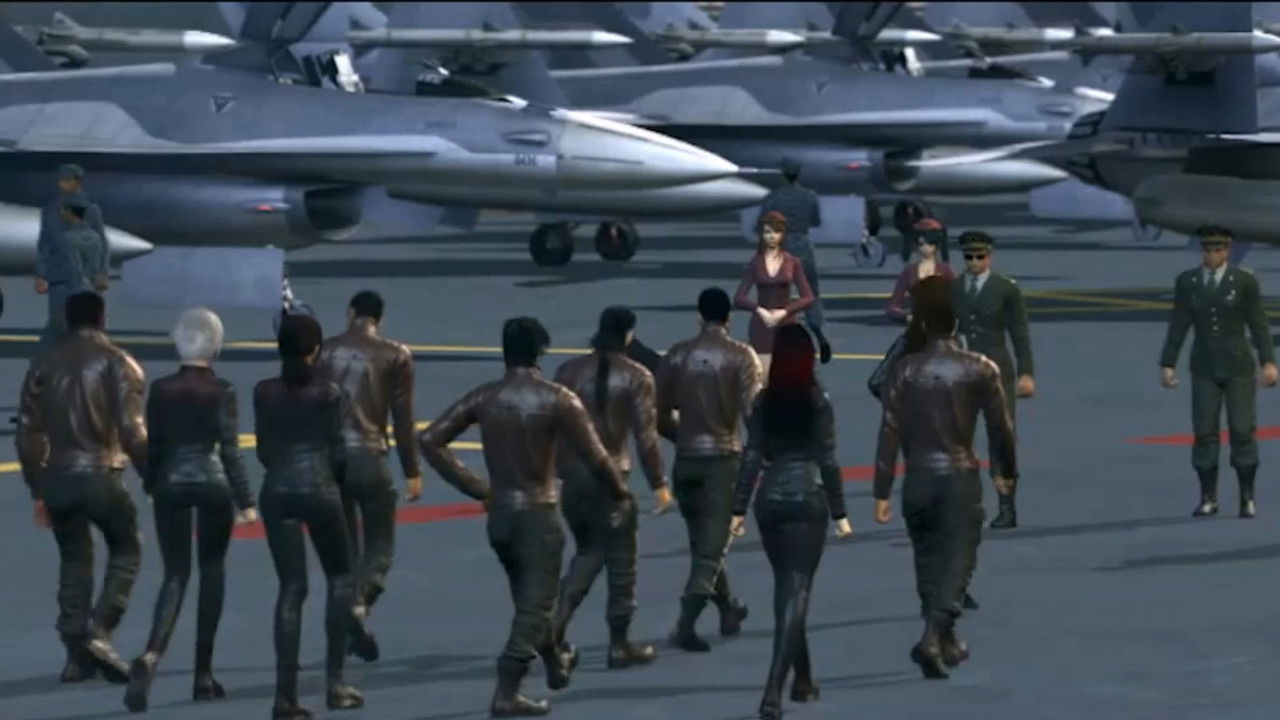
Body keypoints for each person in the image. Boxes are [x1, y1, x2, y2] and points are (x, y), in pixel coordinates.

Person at [419, 317, 631, 717]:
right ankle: (508, 688)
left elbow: (431, 439)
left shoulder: (486, 396)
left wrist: (478, 488)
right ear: (540, 352)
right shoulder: (558, 399)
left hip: (500, 515)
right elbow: (598, 458)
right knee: (536, 604)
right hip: (539, 513)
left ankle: (555, 661)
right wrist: (620, 494)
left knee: (529, 596)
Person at [872, 288, 1016, 680]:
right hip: (958, 475)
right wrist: (1005, 471)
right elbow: (1001, 428)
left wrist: (882, 490)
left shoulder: (904, 369)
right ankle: (931, 636)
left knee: (927, 559)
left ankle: (944, 643)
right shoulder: (980, 367)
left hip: (917, 476)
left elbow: (888, 431)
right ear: (956, 324)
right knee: (960, 557)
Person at [123, 308, 258, 712]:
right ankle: (203, 674)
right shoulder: (224, 390)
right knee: (212, 570)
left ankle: (152, 653)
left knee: (175, 574)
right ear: (216, 346)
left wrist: (151, 484)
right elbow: (230, 450)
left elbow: (155, 446)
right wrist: (245, 500)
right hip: (212, 482)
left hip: (171, 482)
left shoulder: (161, 390)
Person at [15, 291, 146, 684]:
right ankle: (100, 631)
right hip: (102, 474)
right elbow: (132, 431)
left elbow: (27, 434)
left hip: (58, 476)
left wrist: (38, 486)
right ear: (102, 319)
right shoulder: (119, 362)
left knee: (74, 560)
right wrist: (151, 473)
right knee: (126, 548)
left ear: (67, 321)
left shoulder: (43, 364)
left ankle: (75, 654)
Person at [729, 324, 853, 720]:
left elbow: (752, 456)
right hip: (808, 497)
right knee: (797, 590)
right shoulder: (819, 400)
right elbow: (828, 459)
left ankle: (803, 678)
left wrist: (737, 508)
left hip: (769, 499)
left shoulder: (763, 402)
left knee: (786, 587)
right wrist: (840, 512)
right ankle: (773, 689)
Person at [254, 314, 373, 717]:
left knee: (291, 588)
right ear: (316, 350)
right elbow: (337, 452)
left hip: (277, 489)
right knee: (340, 579)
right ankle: (335, 683)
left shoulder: (263, 392)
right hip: (319, 486)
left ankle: (284, 696)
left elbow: (264, 451)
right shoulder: (329, 393)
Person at [550, 307, 673, 670]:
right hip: (611, 481)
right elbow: (646, 438)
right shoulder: (637, 376)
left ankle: (554, 629)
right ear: (628, 335)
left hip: (573, 481)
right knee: (620, 563)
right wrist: (659, 484)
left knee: (588, 552)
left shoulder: (567, 372)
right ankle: (616, 643)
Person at [657, 288, 762, 653]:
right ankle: (685, 625)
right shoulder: (742, 356)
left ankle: (729, 607)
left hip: (686, 460)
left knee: (704, 543)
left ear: (699, 317)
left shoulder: (676, 355)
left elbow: (659, 414)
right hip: (724, 459)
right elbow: (752, 413)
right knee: (711, 552)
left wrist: (683, 436)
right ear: (729, 318)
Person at [316, 290, 420, 651]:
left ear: (350, 313)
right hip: (372, 457)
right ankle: (360, 603)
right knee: (380, 544)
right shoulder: (396, 355)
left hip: (331, 460)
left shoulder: (324, 351)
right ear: (380, 319)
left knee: (343, 551)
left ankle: (340, 630)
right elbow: (403, 420)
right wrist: (412, 470)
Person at [1159, 225, 1277, 518]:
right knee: (1204, 431)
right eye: (1208, 250)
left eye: (1218, 250)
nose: (1212, 255)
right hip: (1204, 367)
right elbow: (1179, 324)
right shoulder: (1188, 282)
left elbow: (1258, 323)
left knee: (1242, 430)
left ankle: (1247, 496)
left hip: (1238, 367)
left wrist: (1268, 361)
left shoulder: (1244, 281)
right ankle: (1208, 496)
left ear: (1227, 251)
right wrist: (1168, 363)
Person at [951, 231, 1033, 529]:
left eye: (980, 256)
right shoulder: (954, 288)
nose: (974, 262)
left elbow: (1020, 333)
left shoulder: (1005, 289)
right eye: (969, 257)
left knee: (1002, 437)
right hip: (962, 372)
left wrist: (1026, 372)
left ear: (989, 256)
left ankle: (1007, 505)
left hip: (998, 371)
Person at [755, 159, 832, 363]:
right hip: (804, 245)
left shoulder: (773, 198)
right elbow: (816, 221)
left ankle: (776, 340)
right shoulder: (809, 196)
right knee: (811, 293)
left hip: (781, 248)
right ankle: (819, 333)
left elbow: (762, 226)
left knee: (776, 296)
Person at [733, 211, 815, 382]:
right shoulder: (756, 262)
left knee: (788, 375)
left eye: (776, 232)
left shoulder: (792, 262)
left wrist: (785, 311)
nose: (772, 236)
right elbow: (739, 297)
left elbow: (808, 297)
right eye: (767, 232)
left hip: (787, 325)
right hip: (762, 326)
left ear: (783, 234)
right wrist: (760, 310)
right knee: (763, 377)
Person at [34, 189, 109, 355]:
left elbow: (70, 266)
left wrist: (45, 276)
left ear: (70, 212)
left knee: (54, 333)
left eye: (64, 210)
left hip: (64, 289)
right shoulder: (94, 239)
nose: (61, 213)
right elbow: (94, 266)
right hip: (88, 291)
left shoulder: (64, 239)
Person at [886, 218, 956, 322]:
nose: (925, 248)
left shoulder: (945, 269)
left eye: (930, 244)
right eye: (921, 244)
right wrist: (906, 316)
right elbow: (893, 306)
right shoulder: (909, 271)